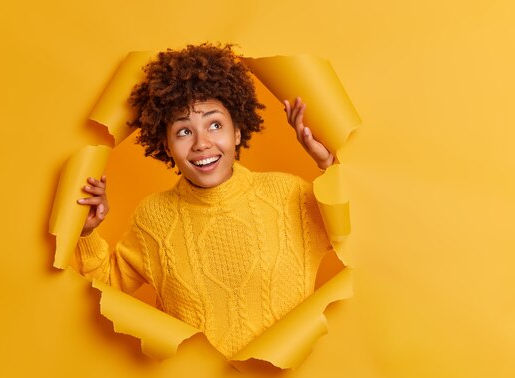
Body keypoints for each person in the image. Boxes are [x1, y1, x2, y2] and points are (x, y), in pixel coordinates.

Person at [76, 44, 334, 358]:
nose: (202, 143)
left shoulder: (290, 195)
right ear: (166, 145)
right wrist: (87, 231)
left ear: (237, 131)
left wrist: (328, 167)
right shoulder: (153, 217)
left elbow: (363, 236)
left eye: (215, 125)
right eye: (184, 131)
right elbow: (103, 289)